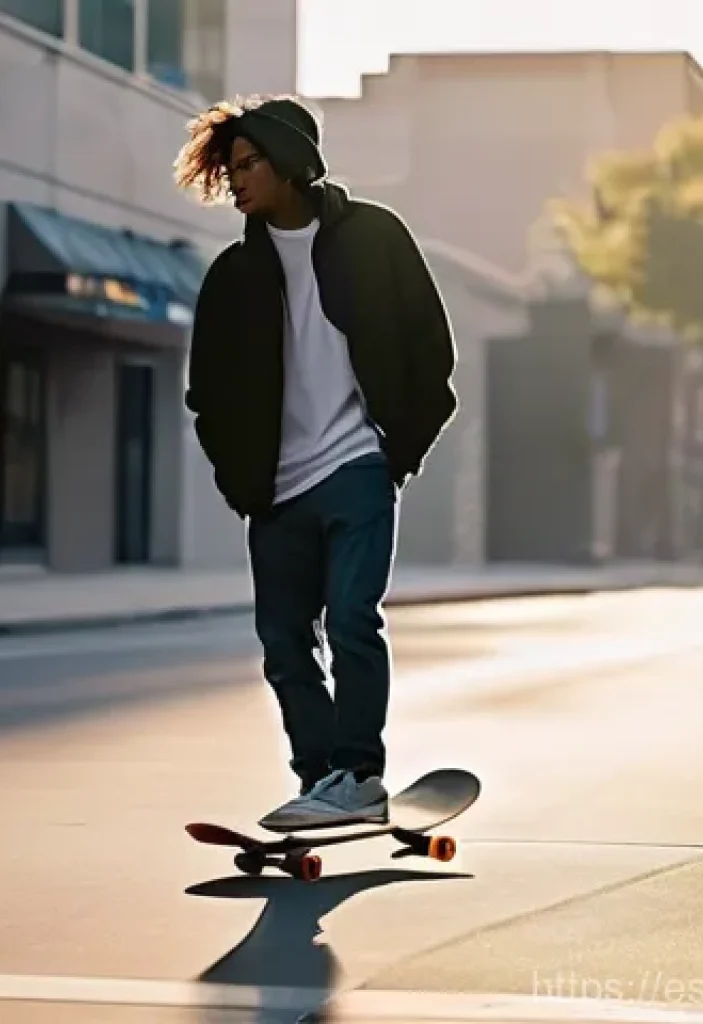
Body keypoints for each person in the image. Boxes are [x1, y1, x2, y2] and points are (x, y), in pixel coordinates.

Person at [173, 95, 458, 832]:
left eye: (246, 164)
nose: (234, 181)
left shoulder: (374, 238)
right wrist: (242, 483)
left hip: (360, 464)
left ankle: (358, 773)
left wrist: (401, 450)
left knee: (354, 620)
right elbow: (206, 395)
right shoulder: (233, 277)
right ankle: (321, 780)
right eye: (228, 169)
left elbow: (432, 349)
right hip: (278, 489)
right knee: (283, 642)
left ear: (289, 161)